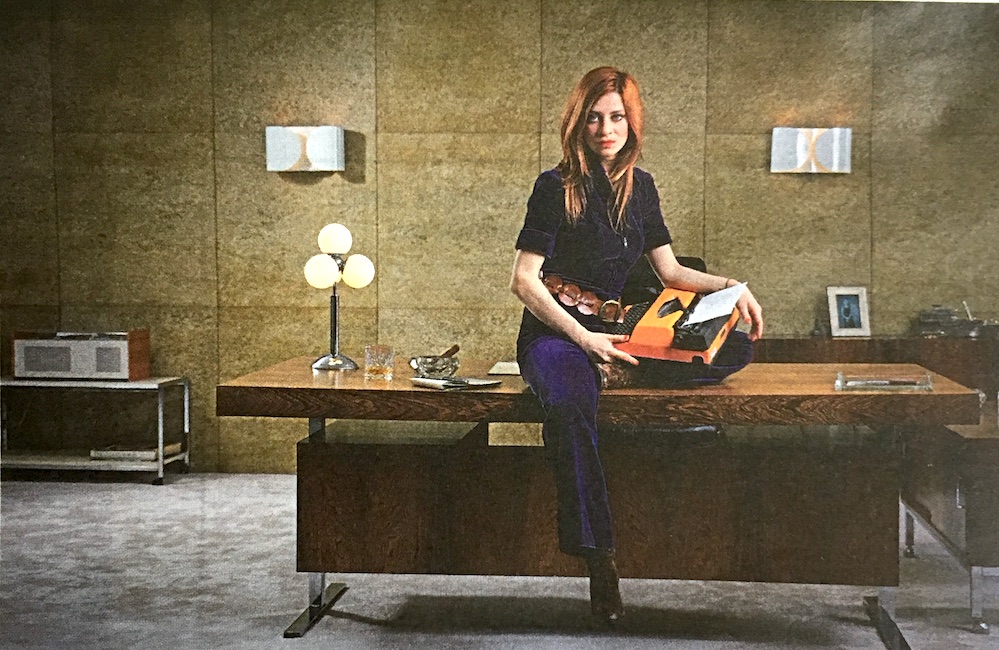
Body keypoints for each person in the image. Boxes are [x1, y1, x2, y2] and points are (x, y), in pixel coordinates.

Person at [509, 66, 764, 622]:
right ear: (577, 123)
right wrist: (586, 340)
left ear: (632, 122)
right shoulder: (554, 187)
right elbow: (524, 280)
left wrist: (732, 287)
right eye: (594, 118)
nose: (606, 129)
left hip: (621, 332)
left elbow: (670, 271)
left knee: (737, 347)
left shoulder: (641, 187)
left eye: (617, 117)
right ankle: (600, 558)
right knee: (571, 405)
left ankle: (624, 368)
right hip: (558, 335)